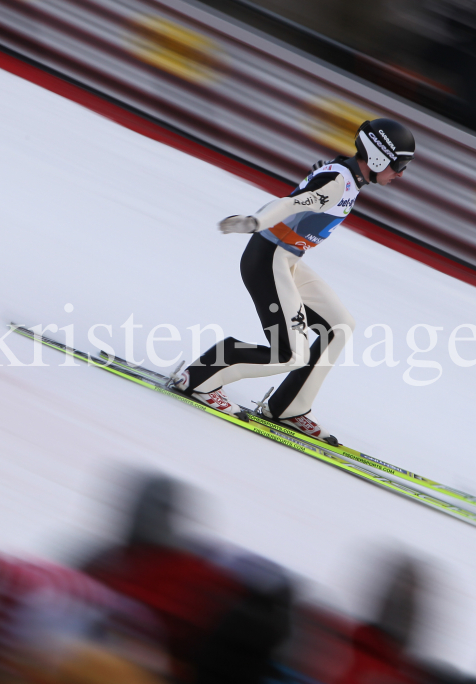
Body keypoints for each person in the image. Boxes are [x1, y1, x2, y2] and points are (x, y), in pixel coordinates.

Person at [170, 118, 416, 444]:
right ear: (378, 157)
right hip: (268, 259)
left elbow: (312, 188)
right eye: (399, 165)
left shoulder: (347, 177)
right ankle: (199, 378)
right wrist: (256, 221)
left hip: (287, 259)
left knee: (339, 326)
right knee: (290, 353)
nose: (400, 174)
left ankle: (289, 407)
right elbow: (289, 203)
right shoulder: (339, 183)